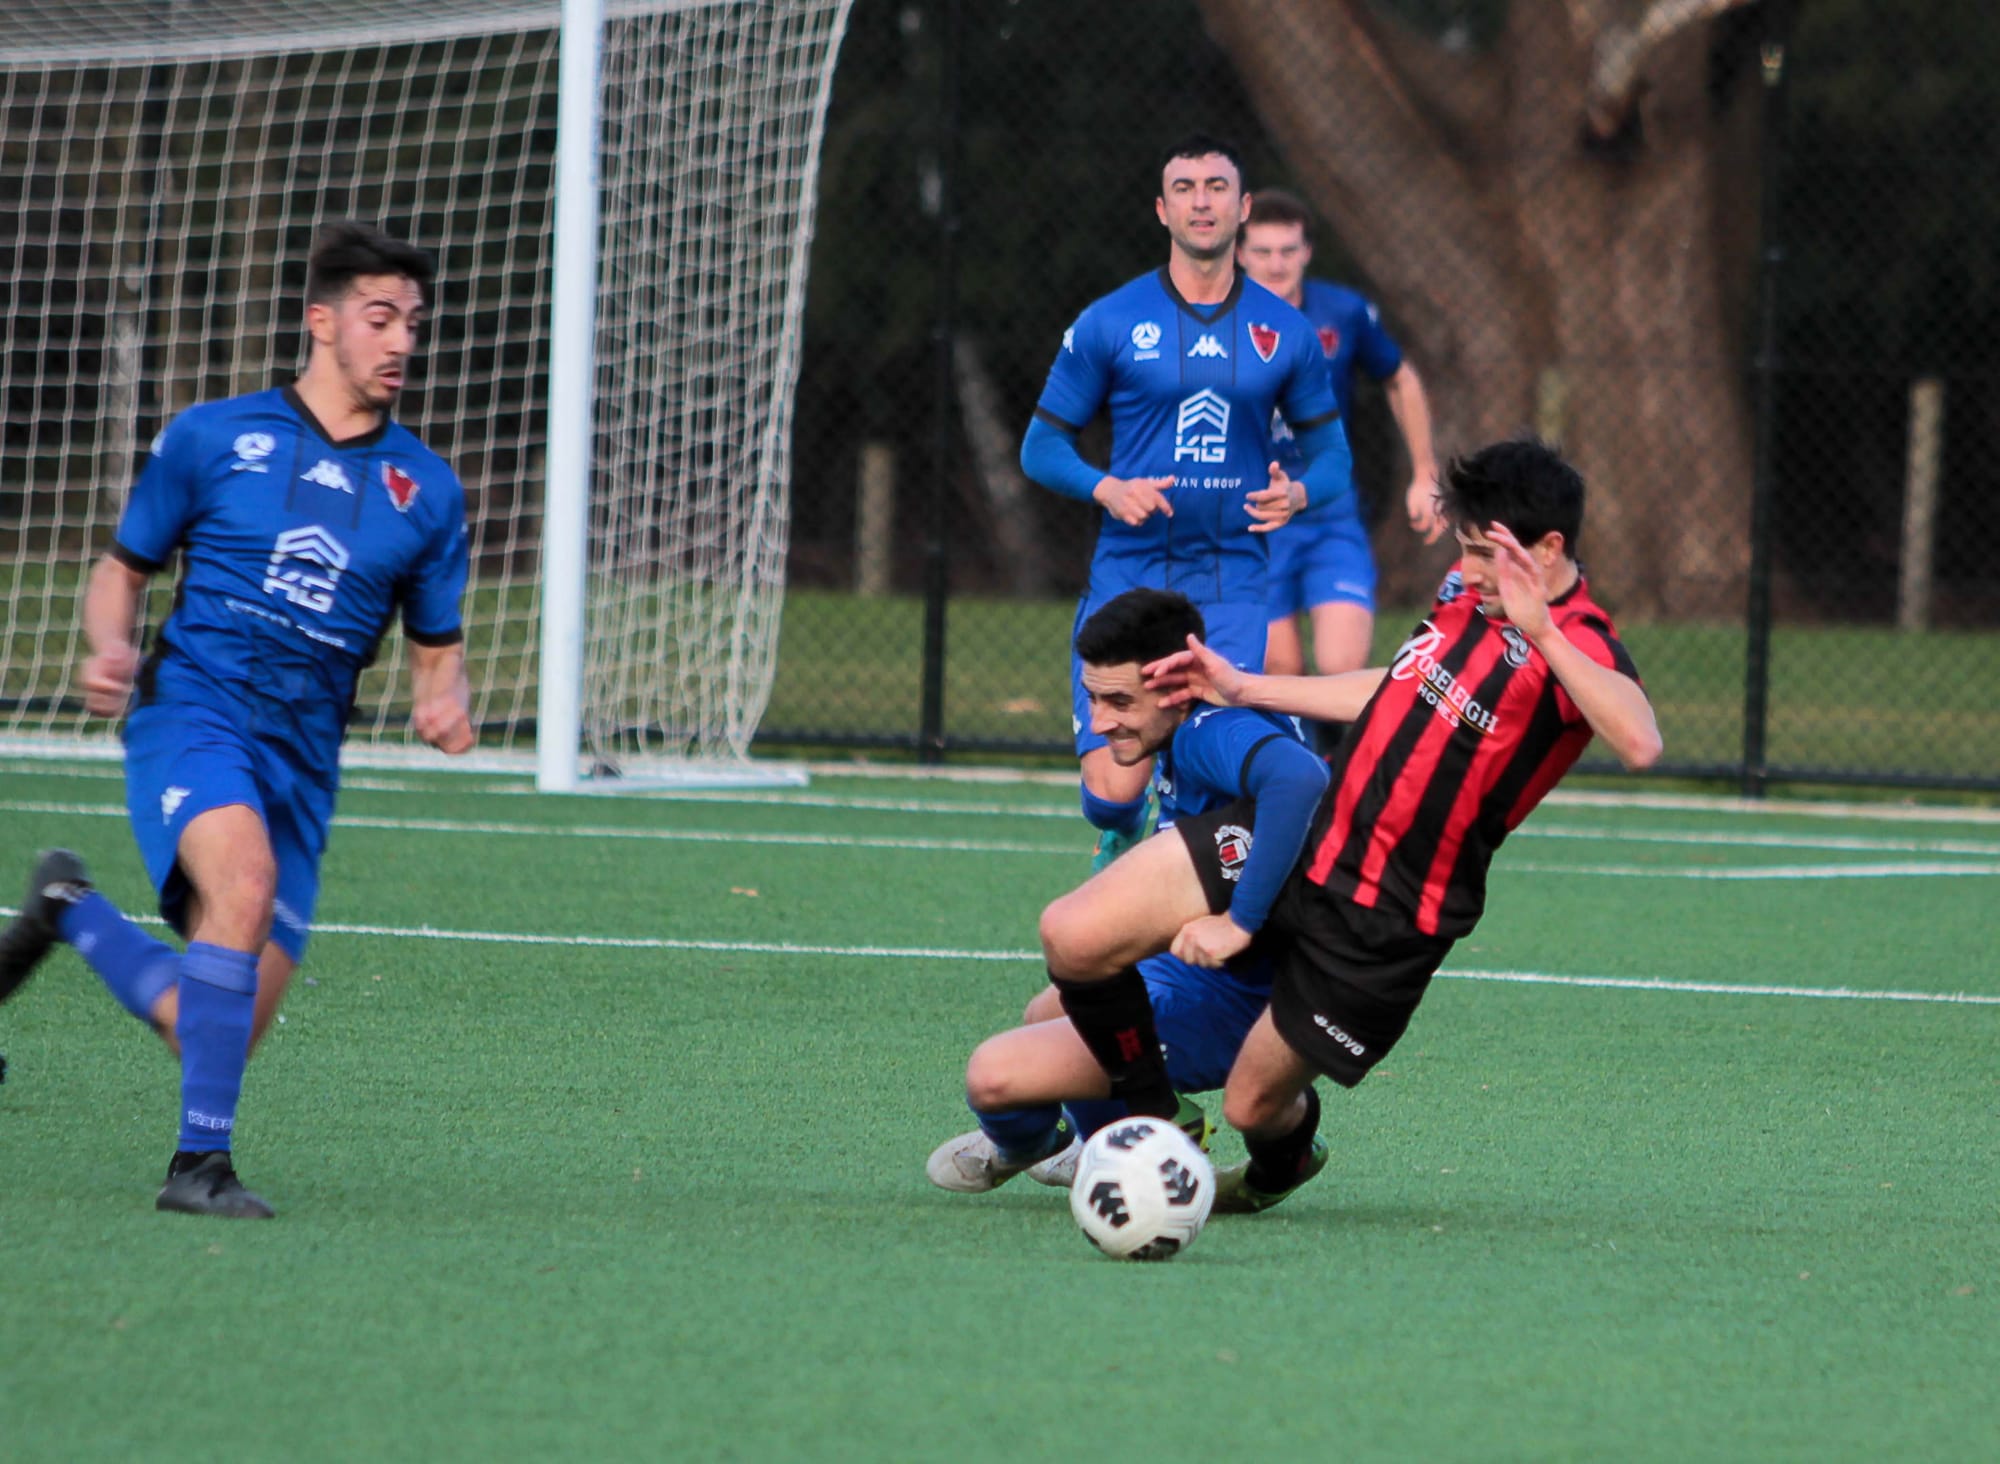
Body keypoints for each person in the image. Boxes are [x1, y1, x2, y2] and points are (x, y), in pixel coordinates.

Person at [1033, 438, 1662, 1211]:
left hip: (1389, 915)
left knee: (1253, 1107)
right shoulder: (1466, 595)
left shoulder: (1581, 641)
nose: (1465, 570)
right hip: (1307, 840)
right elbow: (1395, 687)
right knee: (1074, 932)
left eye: (1481, 554)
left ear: (1548, 548)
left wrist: (1545, 631)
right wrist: (1246, 687)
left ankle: (1281, 1164)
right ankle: (1151, 1122)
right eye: (1463, 549)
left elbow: (1640, 741)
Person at [0, 220, 474, 1219]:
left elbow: (437, 640)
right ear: (322, 322)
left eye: (412, 324)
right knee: (243, 884)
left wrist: (443, 696)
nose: (399, 343)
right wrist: (108, 645)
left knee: (208, 1027)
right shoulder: (215, 437)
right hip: (195, 716)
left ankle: (68, 909)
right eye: (379, 319)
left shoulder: (427, 491)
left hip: (304, 760)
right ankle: (197, 1172)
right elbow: (122, 570)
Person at [925, 587, 1330, 1200]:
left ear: (1176, 686)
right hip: (1182, 972)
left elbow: (1301, 778)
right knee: (1046, 1010)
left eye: (1119, 701)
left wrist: (1241, 919)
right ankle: (1118, 1137)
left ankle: (1067, 1139)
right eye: (1091, 698)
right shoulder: (1187, 732)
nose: (1100, 720)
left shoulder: (1207, 730)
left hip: (1230, 1002)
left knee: (992, 1078)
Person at [1019, 133, 1353, 870]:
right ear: (1161, 210)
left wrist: (1297, 493)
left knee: (1207, 773)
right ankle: (1121, 819)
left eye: (1215, 186)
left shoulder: (1286, 332)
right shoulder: (1109, 321)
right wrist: (1107, 486)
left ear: (1243, 208)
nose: (1201, 201)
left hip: (1230, 582)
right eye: (1184, 188)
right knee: (1111, 790)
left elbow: (1335, 459)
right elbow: (1040, 449)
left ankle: (1174, 922)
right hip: (1130, 577)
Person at [1235, 188, 1443, 711]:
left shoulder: (1343, 313)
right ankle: (1296, 779)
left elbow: (1400, 380)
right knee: (1279, 670)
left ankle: (1345, 773)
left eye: (1288, 250)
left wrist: (1424, 474)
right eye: (1262, 251)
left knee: (1341, 668)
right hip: (1252, 516)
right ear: (1239, 253)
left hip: (1329, 511)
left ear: (1307, 252)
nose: (1276, 263)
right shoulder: (1214, 320)